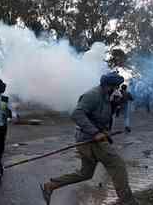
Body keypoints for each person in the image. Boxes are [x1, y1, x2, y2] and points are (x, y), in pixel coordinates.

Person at [40, 72, 139, 205]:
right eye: (114, 87)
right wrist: (95, 133)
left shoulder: (105, 96)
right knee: (117, 164)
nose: (116, 90)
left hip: (90, 139)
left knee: (85, 173)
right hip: (90, 140)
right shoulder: (93, 95)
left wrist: (105, 129)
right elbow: (77, 114)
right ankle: (127, 202)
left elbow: (101, 117)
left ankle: (51, 185)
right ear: (107, 85)